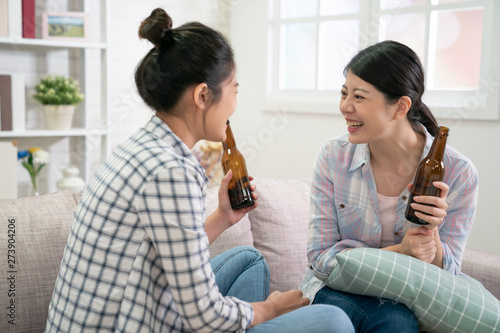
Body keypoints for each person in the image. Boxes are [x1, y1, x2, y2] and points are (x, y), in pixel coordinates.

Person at [45, 8, 354, 333]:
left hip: (124, 308)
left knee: (247, 259)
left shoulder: (141, 147)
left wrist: (222, 217)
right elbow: (202, 315)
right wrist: (269, 309)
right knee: (333, 321)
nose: (235, 101)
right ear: (203, 95)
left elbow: (164, 251)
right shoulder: (172, 171)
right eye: (234, 88)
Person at [300, 40, 479, 332]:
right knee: (393, 321)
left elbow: (449, 274)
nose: (345, 107)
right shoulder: (334, 157)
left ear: (400, 107)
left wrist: (429, 233)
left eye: (359, 97)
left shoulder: (459, 174)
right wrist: (401, 251)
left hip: (413, 296)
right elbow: (321, 261)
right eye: (344, 93)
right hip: (341, 291)